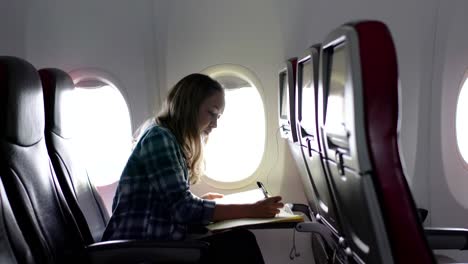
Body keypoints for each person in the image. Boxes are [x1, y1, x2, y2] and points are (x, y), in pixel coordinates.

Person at [102, 73, 283, 263]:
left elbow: (170, 203)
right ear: (189, 106)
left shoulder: (170, 138)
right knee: (240, 243)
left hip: (155, 241)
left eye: (218, 116)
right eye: (211, 113)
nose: (215, 124)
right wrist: (250, 210)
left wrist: (201, 202)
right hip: (140, 249)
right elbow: (182, 209)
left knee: (239, 241)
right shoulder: (159, 138)